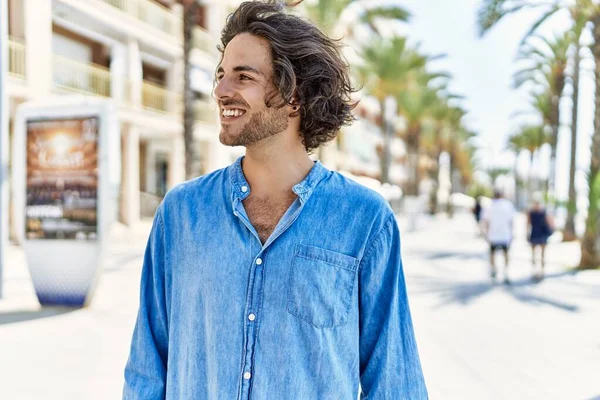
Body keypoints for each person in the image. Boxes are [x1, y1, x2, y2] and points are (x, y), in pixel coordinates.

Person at [122, 1, 428, 399]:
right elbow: (148, 367)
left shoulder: (365, 220)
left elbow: (394, 381)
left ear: (293, 97)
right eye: (221, 75)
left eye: (243, 76)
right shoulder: (181, 213)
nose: (220, 91)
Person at [481, 190, 515, 283]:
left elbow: (485, 221)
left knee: (492, 254)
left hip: (493, 235)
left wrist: (485, 233)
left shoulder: (489, 205)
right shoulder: (508, 205)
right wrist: (512, 233)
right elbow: (511, 221)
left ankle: (493, 270)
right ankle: (506, 271)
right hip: (505, 235)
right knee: (506, 254)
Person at [527, 194, 554, 281]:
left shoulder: (543, 212)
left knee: (542, 254)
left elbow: (550, 222)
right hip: (534, 234)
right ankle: (534, 271)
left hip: (542, 235)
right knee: (534, 255)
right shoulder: (531, 212)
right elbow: (527, 224)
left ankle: (542, 272)